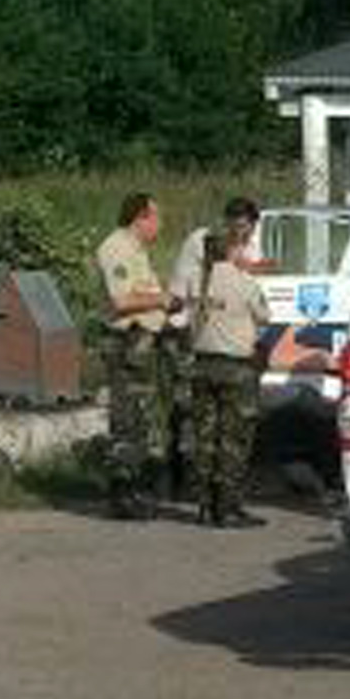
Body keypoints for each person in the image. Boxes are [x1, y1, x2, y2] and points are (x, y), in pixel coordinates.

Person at [189, 205, 273, 527]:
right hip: (236, 367)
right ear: (229, 250)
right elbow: (265, 317)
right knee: (233, 440)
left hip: (201, 364)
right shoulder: (244, 282)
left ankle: (204, 505)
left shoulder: (197, 283)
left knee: (205, 437)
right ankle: (228, 506)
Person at [93, 192, 173, 520]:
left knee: (139, 420)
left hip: (142, 343)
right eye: (156, 217)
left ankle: (134, 490)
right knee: (126, 420)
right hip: (127, 342)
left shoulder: (137, 250)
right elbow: (122, 301)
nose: (160, 224)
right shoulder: (117, 248)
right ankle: (122, 495)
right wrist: (161, 301)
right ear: (140, 217)